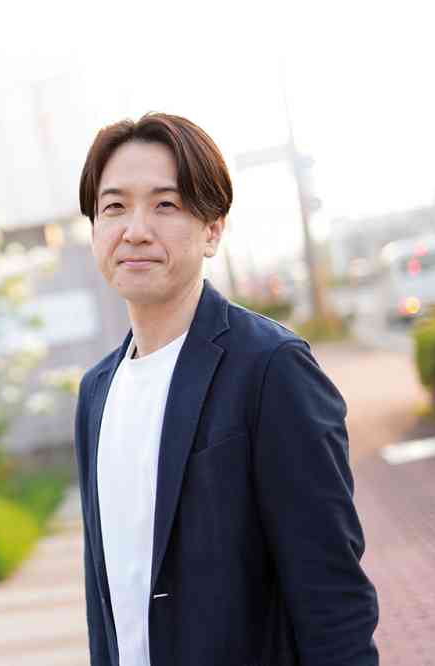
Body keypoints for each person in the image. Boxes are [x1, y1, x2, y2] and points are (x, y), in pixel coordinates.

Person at [73, 113, 379, 665]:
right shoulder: (96, 392)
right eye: (114, 207)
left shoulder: (270, 368)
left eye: (165, 205)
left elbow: (332, 594)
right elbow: (106, 600)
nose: (135, 230)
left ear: (213, 229)